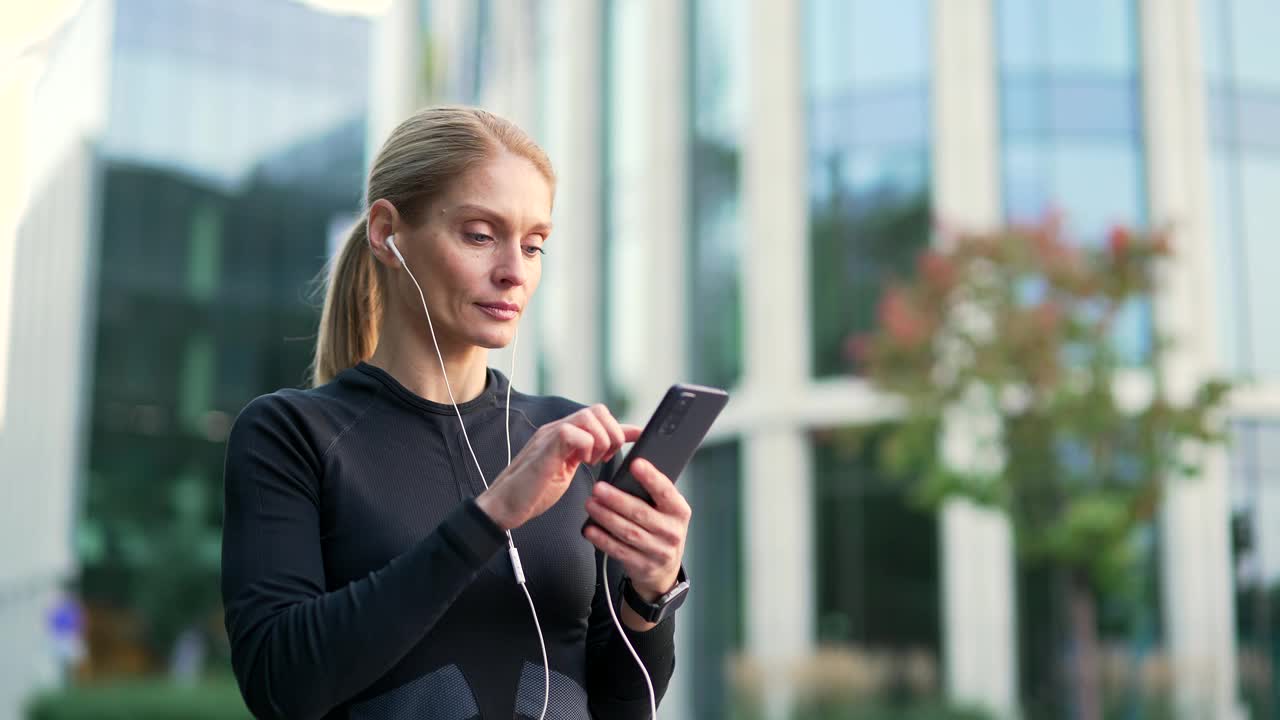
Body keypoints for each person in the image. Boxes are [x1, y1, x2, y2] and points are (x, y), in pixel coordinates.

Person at [220, 106, 692, 720]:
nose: (514, 271)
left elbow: (621, 707)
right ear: (388, 232)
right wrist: (493, 514)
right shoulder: (292, 435)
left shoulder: (573, 446)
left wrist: (650, 597)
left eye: (533, 244)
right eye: (479, 234)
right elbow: (280, 684)